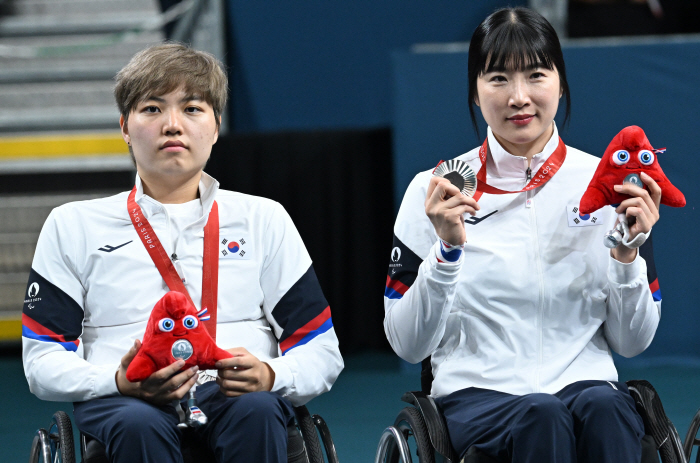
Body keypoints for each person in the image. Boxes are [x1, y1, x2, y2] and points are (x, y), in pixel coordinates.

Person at [22, 43, 343, 463]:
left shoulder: (264, 219)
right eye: (152, 109)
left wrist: (271, 373)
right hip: (126, 400)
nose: (172, 125)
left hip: (237, 396)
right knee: (138, 424)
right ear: (124, 126)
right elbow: (43, 359)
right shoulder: (73, 225)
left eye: (192, 108)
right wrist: (118, 381)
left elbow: (320, 349)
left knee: (259, 410)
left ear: (215, 126)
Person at [384, 7, 662, 463]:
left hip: (588, 387)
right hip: (478, 397)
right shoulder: (434, 191)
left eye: (535, 75)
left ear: (560, 82)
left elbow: (632, 343)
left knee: (607, 405)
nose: (518, 97)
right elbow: (408, 344)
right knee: (542, 414)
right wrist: (447, 252)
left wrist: (627, 257)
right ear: (475, 91)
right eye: (497, 78)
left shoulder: (611, 187)